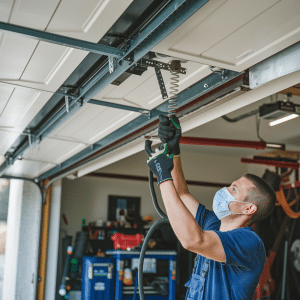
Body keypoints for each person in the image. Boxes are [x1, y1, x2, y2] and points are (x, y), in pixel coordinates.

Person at [145, 115, 276, 300]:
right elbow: (181, 193)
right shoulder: (213, 224)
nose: (225, 190)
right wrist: (173, 151)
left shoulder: (250, 244)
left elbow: (193, 241)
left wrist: (162, 175)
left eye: (233, 189)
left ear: (248, 209)